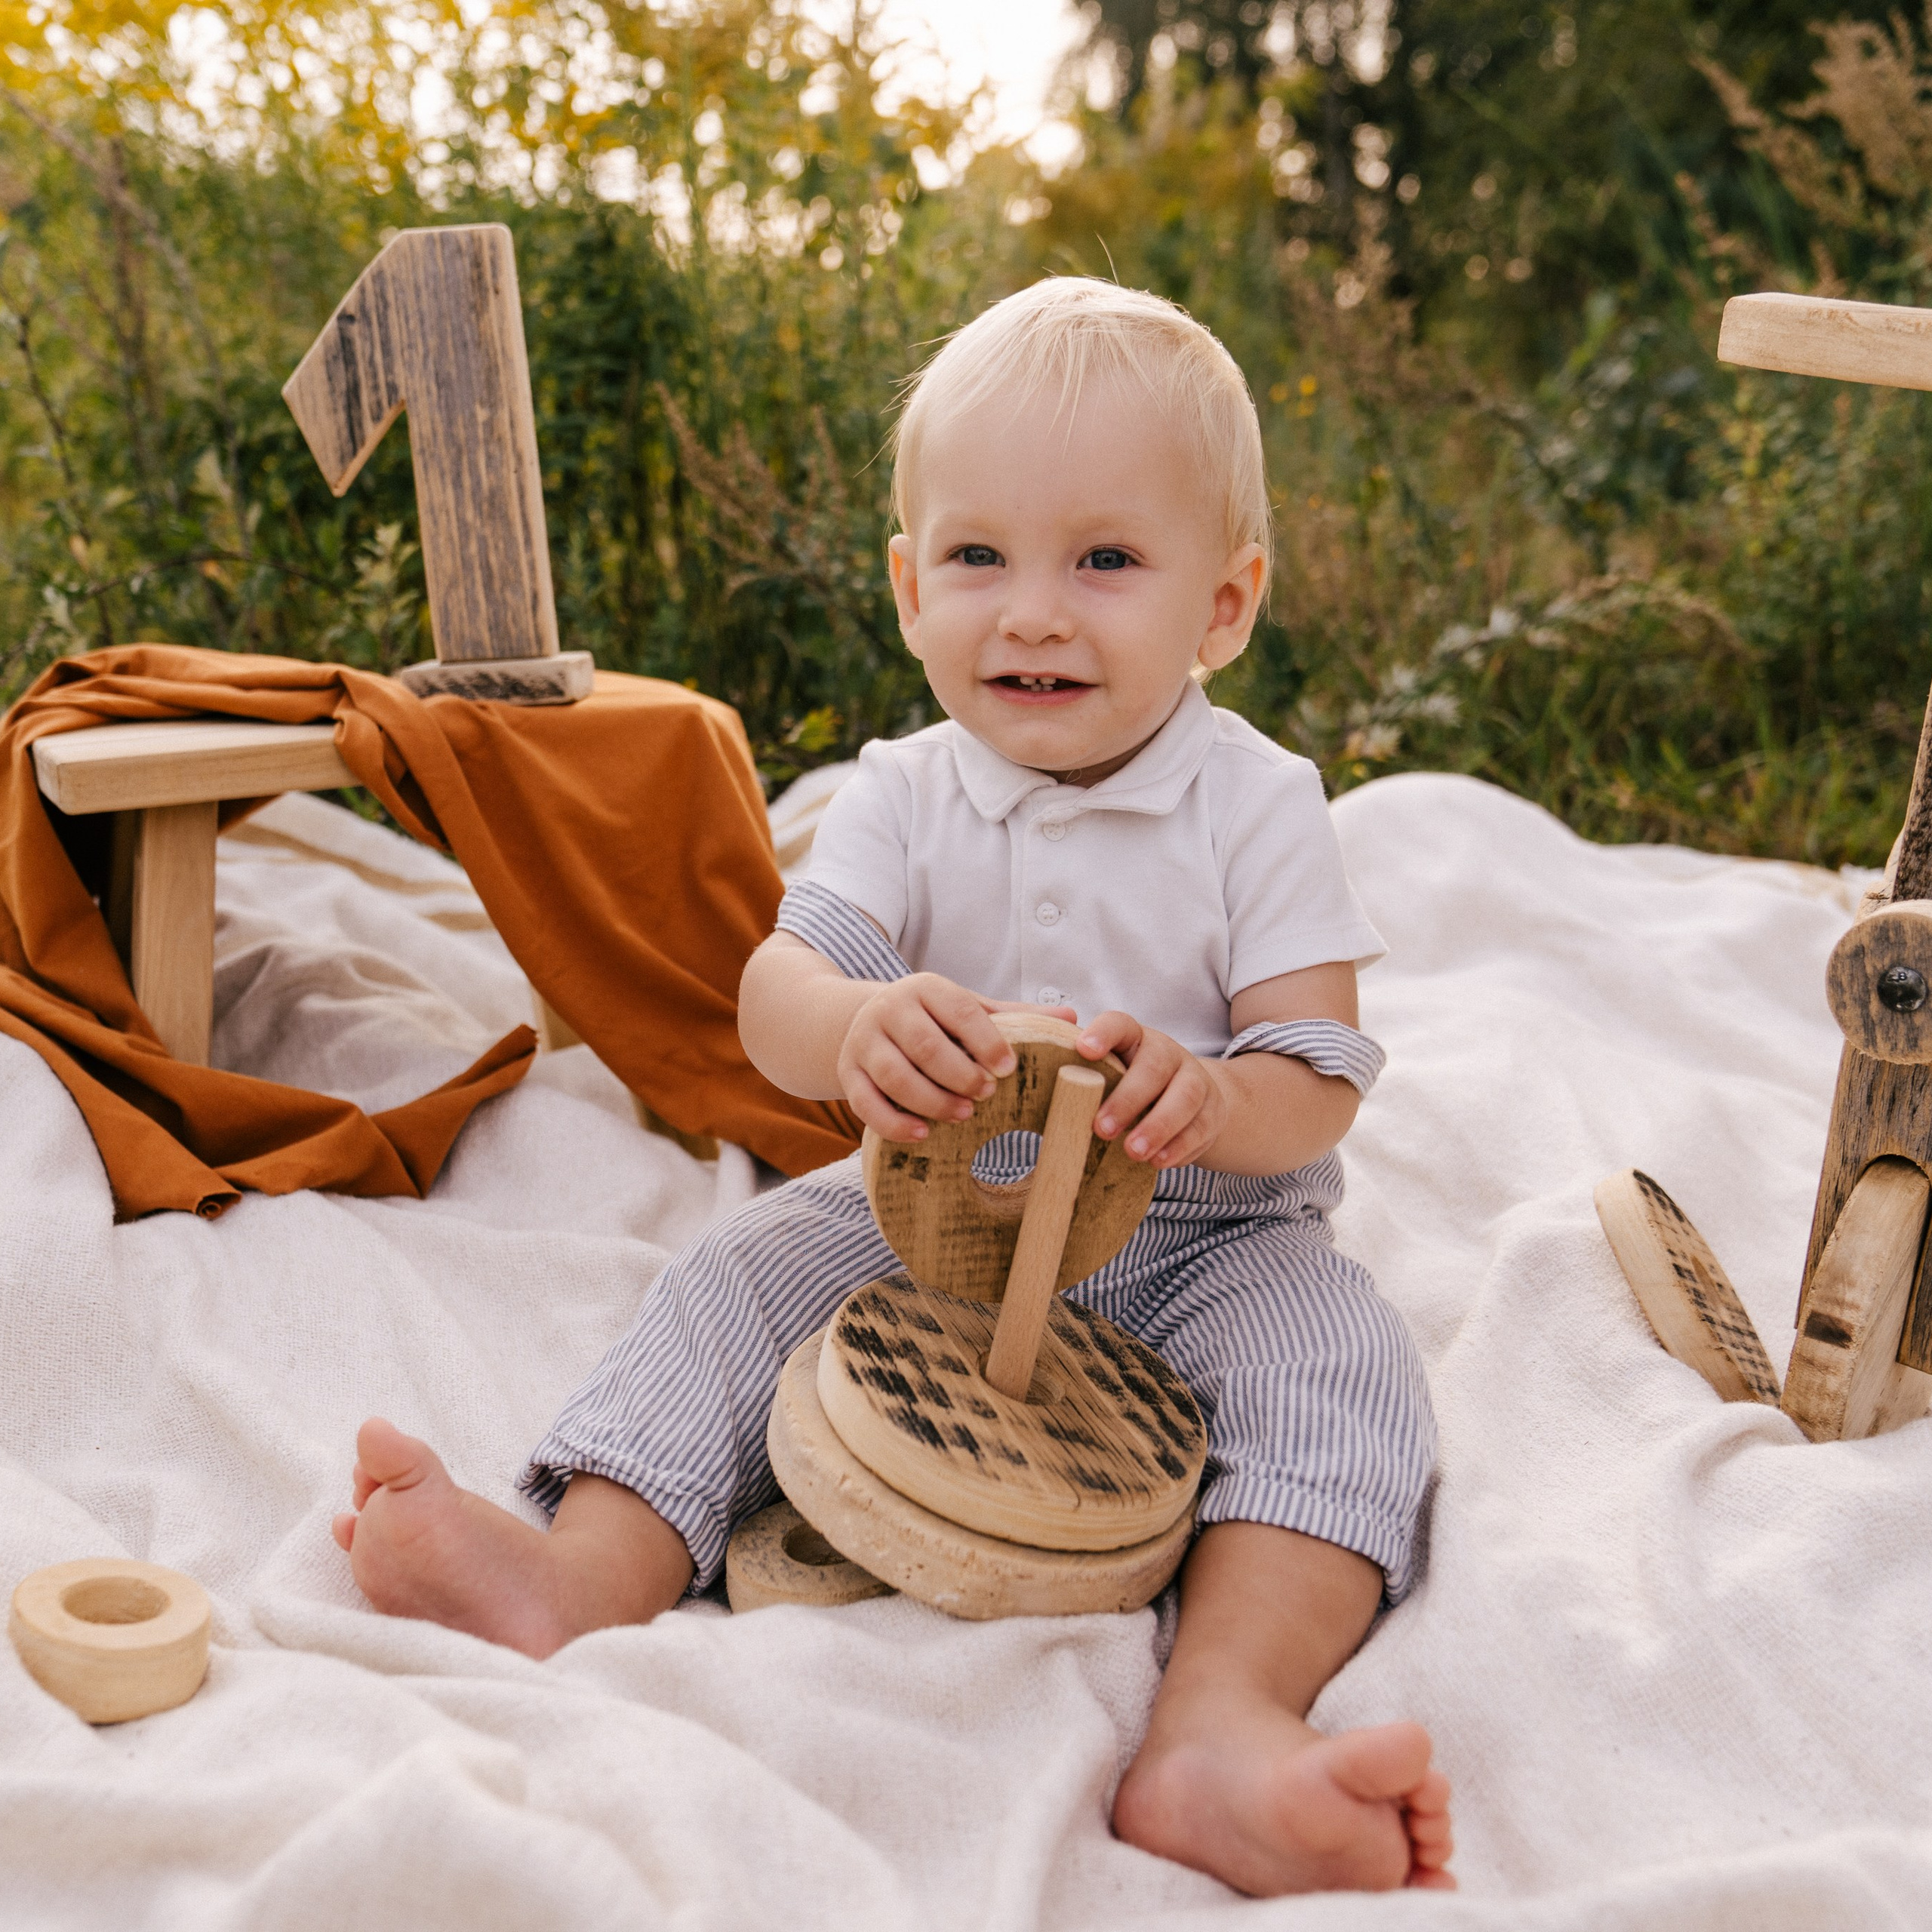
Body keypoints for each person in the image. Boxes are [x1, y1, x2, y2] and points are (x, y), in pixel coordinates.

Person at [332, 277, 1454, 1897]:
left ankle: (1217, 1725)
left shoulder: (1254, 801)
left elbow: (1316, 1070)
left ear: (1223, 603)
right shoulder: (903, 794)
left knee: (1343, 1370)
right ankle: (579, 1573)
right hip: (938, 1212)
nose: (1033, 612)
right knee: (736, 1276)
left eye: (1107, 560)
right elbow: (775, 994)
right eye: (976, 556)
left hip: (1211, 1238)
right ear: (906, 586)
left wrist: (1209, 1096)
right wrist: (852, 1030)